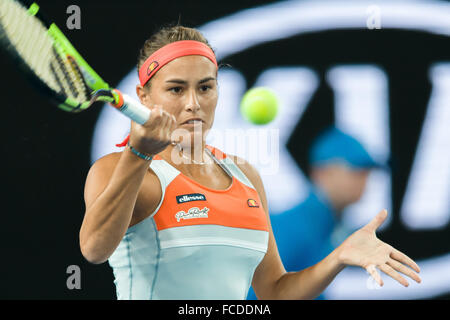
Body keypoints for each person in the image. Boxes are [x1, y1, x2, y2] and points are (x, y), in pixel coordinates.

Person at [79, 25, 421, 300]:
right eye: (176, 90)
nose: (193, 103)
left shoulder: (246, 177)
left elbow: (275, 291)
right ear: (144, 96)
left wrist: (339, 256)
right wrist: (138, 153)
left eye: (205, 87)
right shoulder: (114, 168)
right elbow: (94, 249)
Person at [247, 127, 381, 300]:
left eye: (366, 172)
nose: (364, 179)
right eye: (355, 169)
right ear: (323, 173)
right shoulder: (292, 228)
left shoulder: (333, 226)